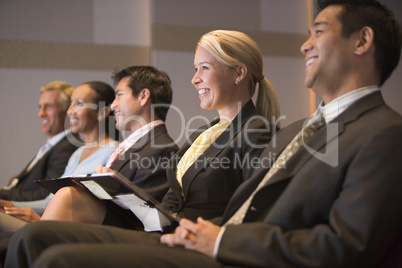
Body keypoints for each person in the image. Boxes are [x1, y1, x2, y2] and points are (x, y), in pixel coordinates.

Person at [5, 1, 402, 267]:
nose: (304, 45)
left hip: (229, 250)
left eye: (318, 31)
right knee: (31, 241)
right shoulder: (296, 131)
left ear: (362, 41)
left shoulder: (381, 133)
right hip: (201, 235)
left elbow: (349, 246)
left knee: (58, 257)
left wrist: (220, 241)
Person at [39, 30, 279, 228]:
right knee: (67, 198)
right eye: (196, 69)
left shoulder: (259, 132)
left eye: (204, 68)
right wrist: (126, 189)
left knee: (64, 208)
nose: (194, 79)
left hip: (189, 236)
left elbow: (251, 212)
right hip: (163, 227)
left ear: (238, 72)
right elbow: (169, 205)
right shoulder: (202, 134)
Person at [39, 66, 179, 227]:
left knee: (68, 195)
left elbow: (147, 219)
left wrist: (116, 189)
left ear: (143, 96)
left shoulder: (162, 149)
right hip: (102, 227)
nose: (113, 105)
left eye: (119, 95)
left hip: (124, 237)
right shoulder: (134, 146)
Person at [0, 81, 119, 231]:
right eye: (71, 103)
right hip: (48, 224)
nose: (70, 111)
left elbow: (98, 211)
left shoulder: (112, 152)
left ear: (102, 112)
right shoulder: (77, 153)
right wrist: (11, 205)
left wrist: (40, 221)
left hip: (71, 232)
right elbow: (49, 201)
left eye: (79, 104)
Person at [0, 81, 80, 202]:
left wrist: (3, 194)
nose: (41, 113)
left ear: (67, 111)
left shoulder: (67, 147)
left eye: (48, 106)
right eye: (40, 107)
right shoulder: (53, 145)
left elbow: (45, 195)